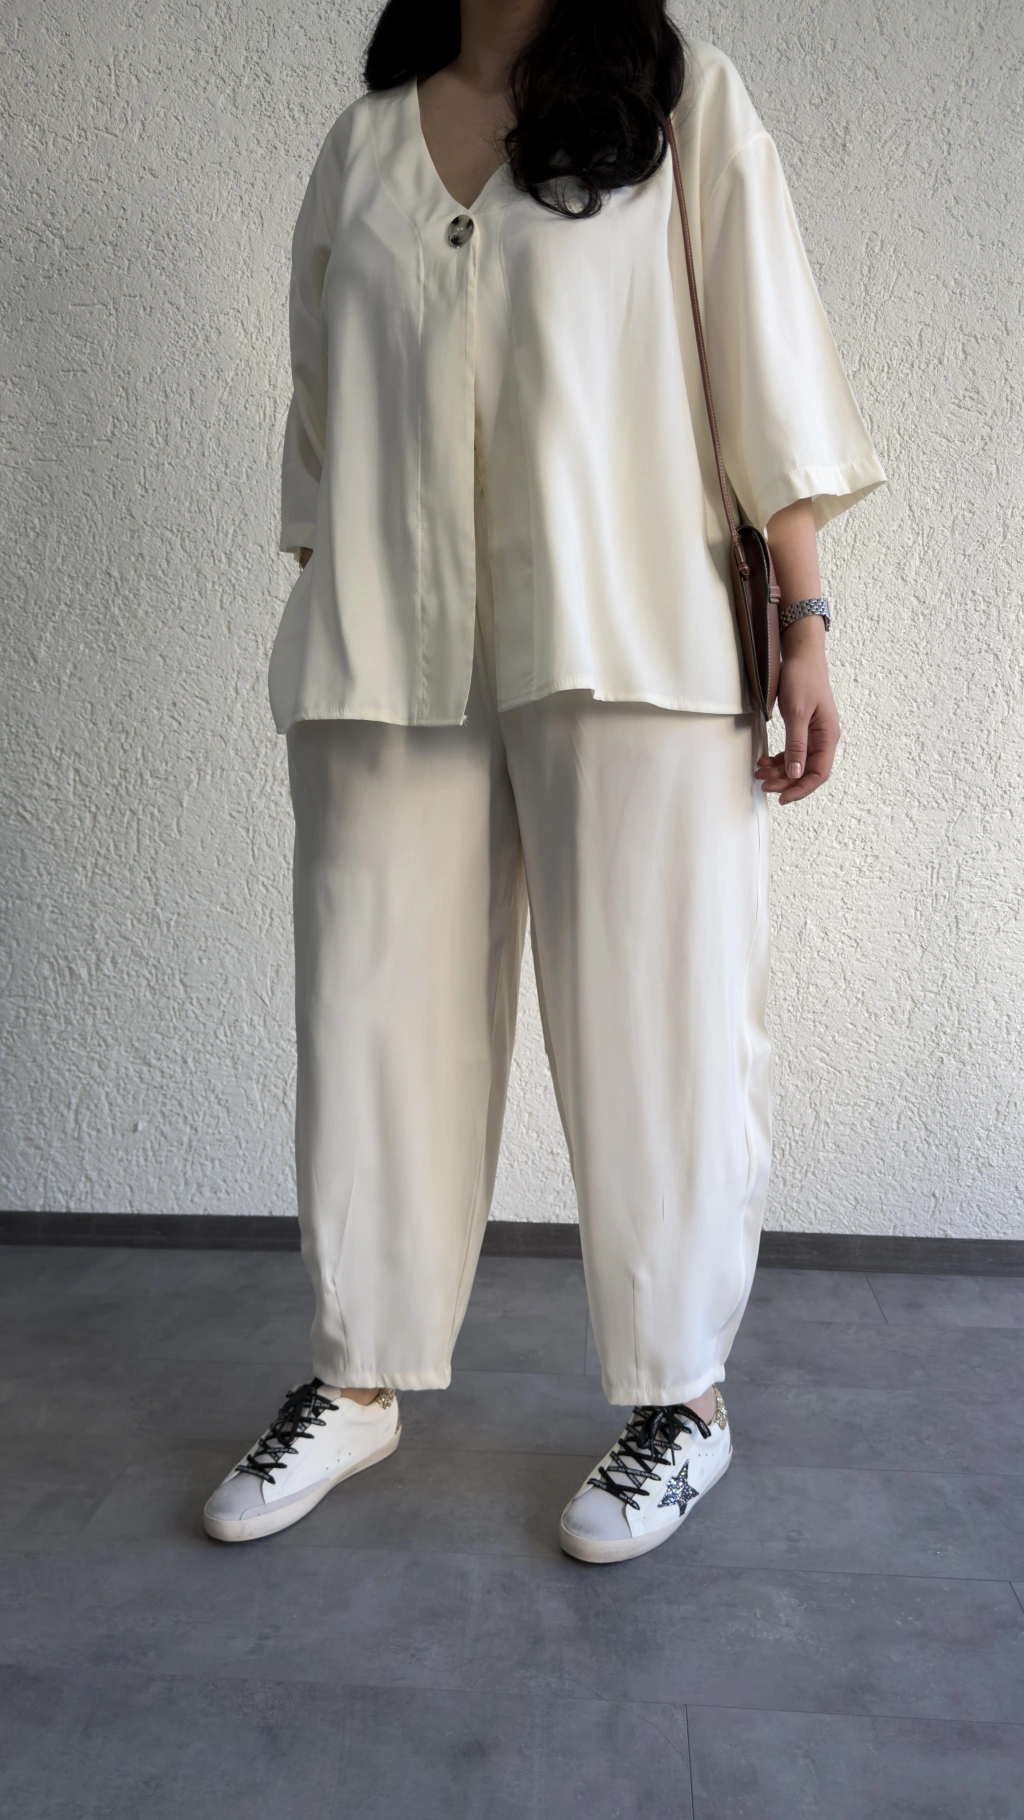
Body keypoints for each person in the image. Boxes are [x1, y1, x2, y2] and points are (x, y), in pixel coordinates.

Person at [203, 0, 885, 1563]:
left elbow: (765, 360)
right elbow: (320, 403)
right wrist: (327, 577)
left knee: (662, 1025)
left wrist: (804, 619)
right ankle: (358, 1378)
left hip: (633, 640)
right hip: (389, 650)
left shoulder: (683, 103)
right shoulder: (366, 141)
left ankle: (683, 1402)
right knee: (369, 1021)